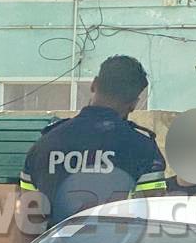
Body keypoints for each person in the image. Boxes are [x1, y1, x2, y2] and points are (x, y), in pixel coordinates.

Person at [18, 56, 166, 230]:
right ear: (133, 104)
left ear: (94, 84)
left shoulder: (45, 144)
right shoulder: (143, 149)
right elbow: (150, 218)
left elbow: (29, 220)